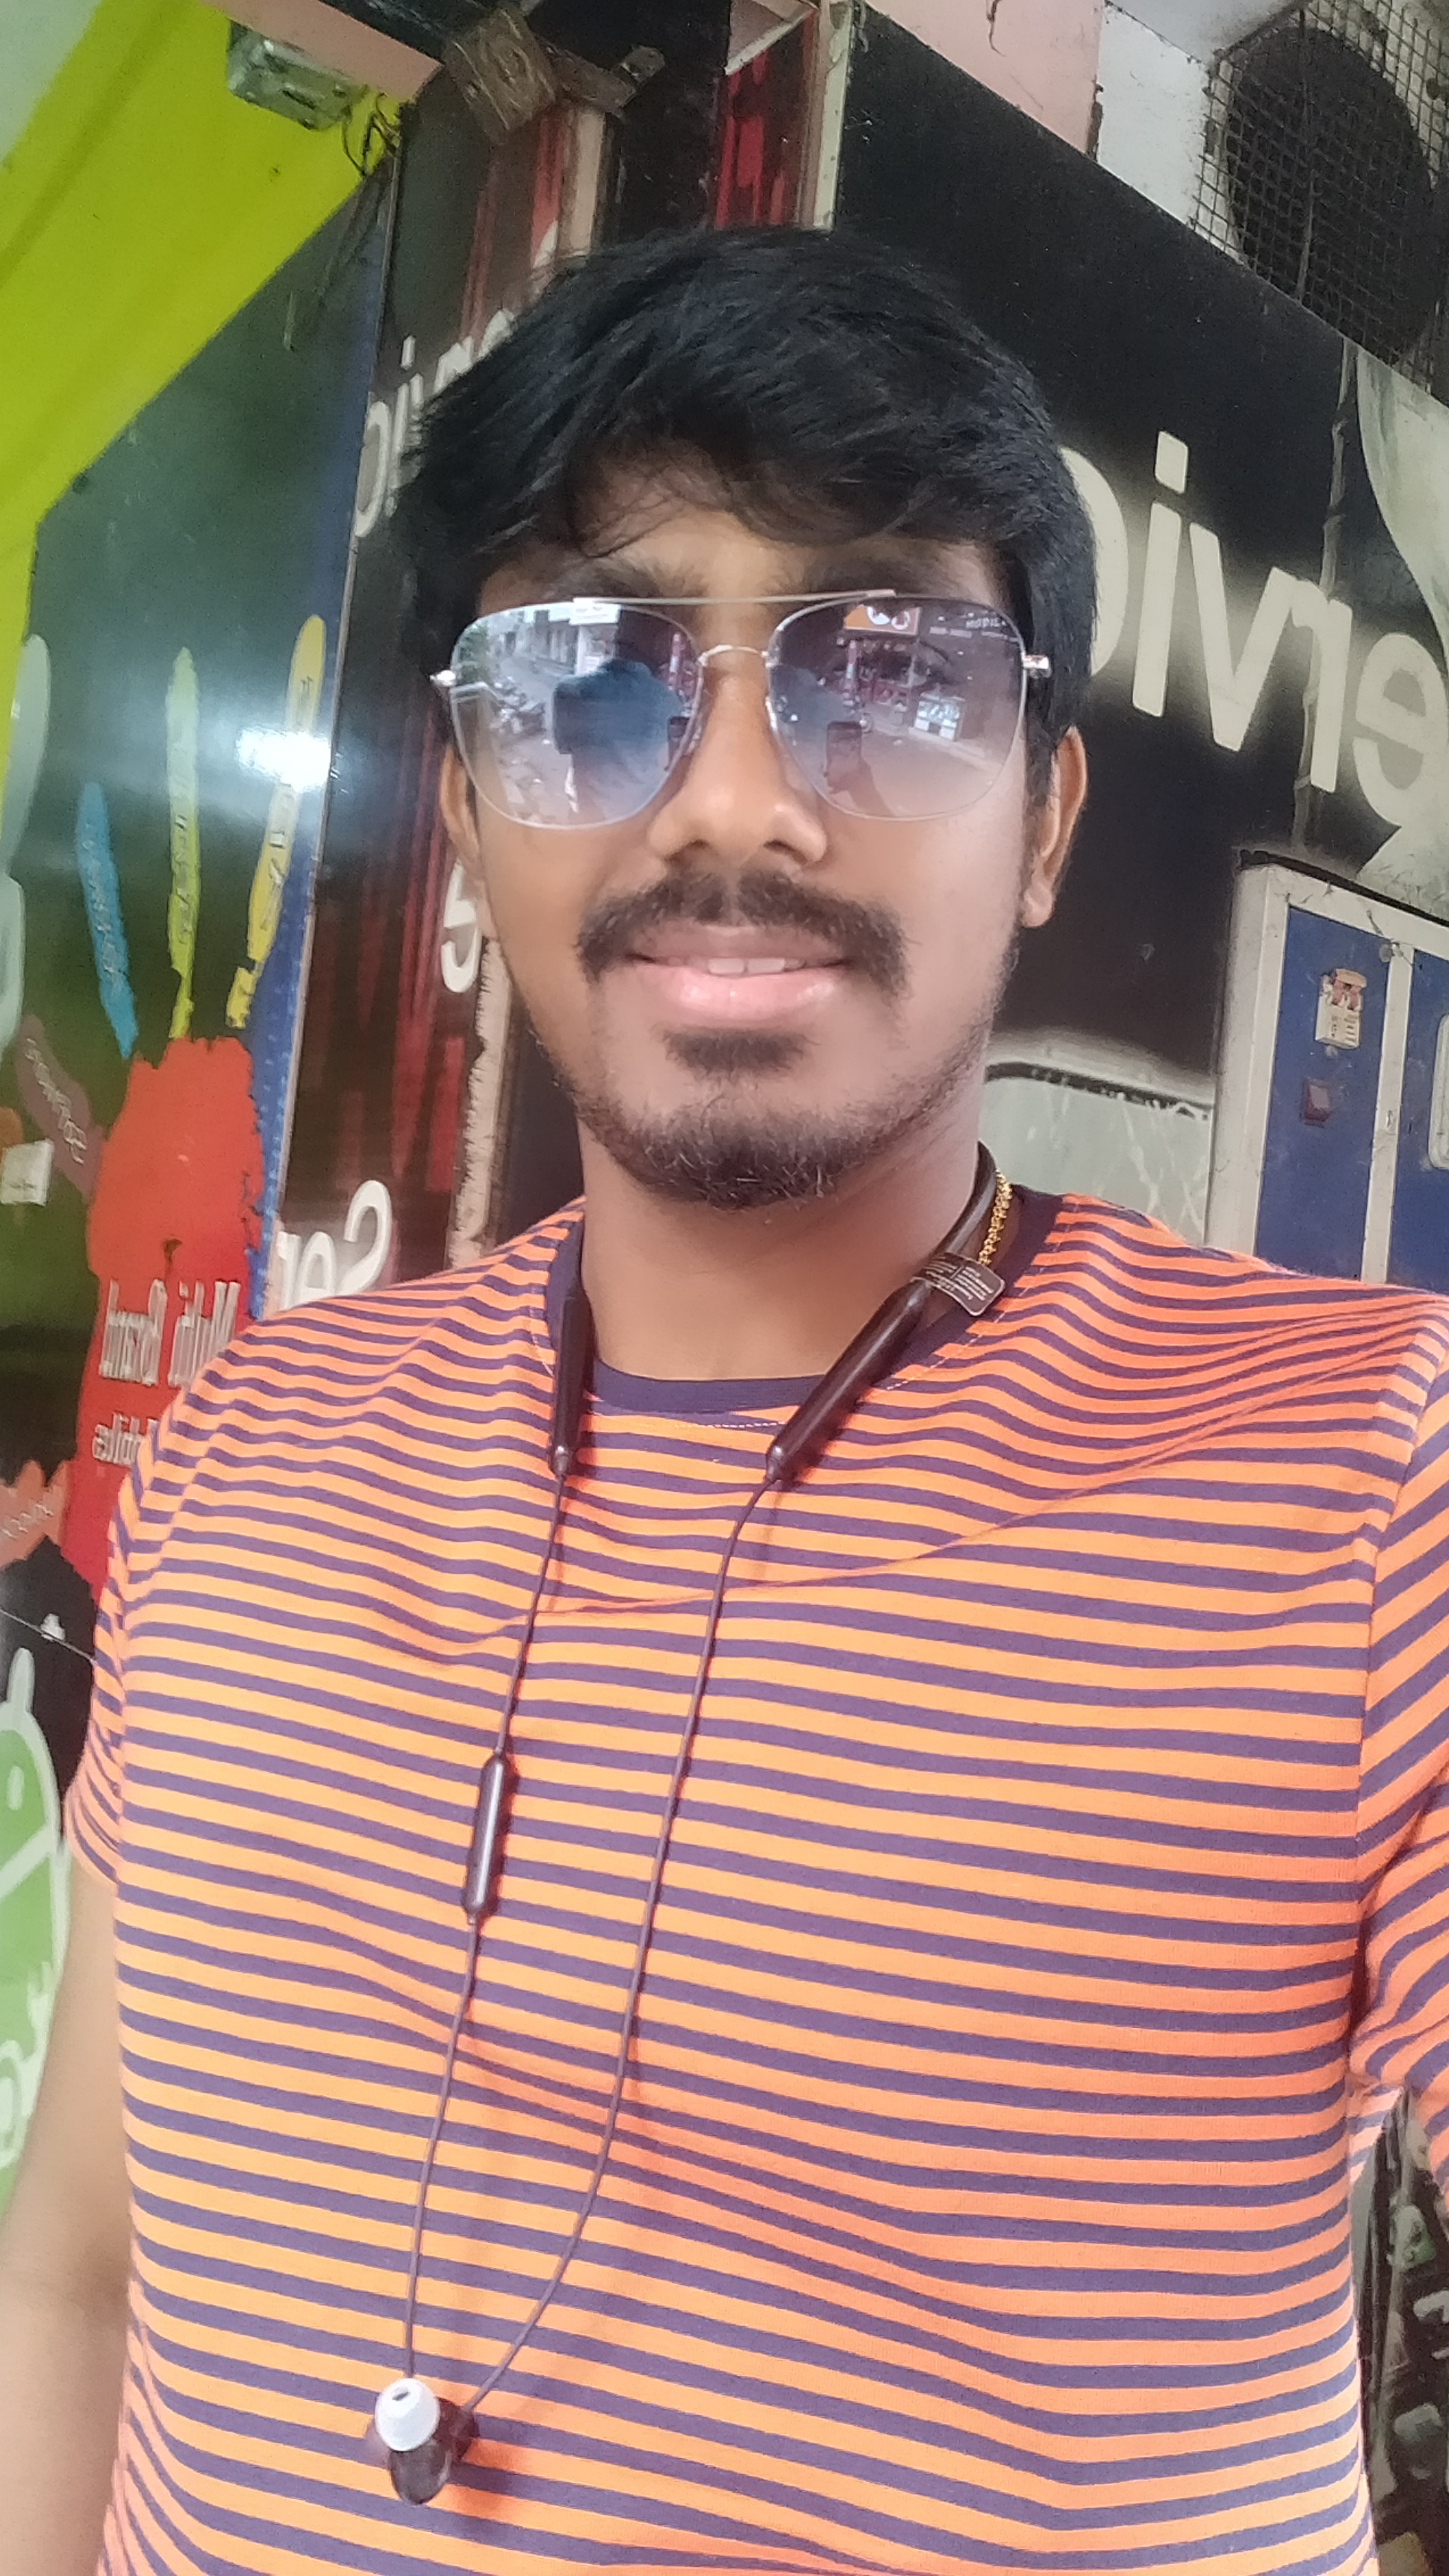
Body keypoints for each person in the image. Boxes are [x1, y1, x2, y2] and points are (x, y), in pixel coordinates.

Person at [1, 223, 1445, 2576]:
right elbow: (78, 2265)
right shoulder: (254, 1447)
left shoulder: (1367, 1475)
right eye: (592, 685)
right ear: (471, 804)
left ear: (1046, 817)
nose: (736, 803)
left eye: (890, 673)